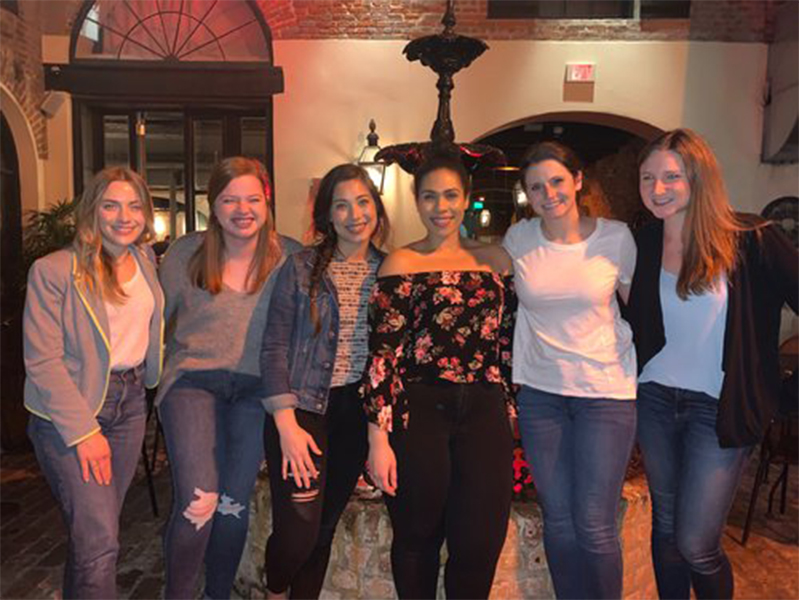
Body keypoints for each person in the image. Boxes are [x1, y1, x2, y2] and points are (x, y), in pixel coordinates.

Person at [625, 128, 798, 599]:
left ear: (698, 177)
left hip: (717, 410)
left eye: (671, 177)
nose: (657, 189)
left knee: (696, 543)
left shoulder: (751, 238)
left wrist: (787, 391)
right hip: (654, 401)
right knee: (666, 529)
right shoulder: (642, 243)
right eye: (647, 178)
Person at [363, 153, 516, 599]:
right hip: (419, 409)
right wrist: (378, 439)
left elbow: (505, 346)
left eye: (451, 195)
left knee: (480, 542)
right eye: (429, 196)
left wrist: (510, 410)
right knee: (416, 536)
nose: (440, 206)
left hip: (484, 409)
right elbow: (382, 357)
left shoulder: (496, 260)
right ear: (416, 201)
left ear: (466, 199)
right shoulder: (400, 263)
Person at [158, 157, 301, 599]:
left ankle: (216, 593)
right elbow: (150, 318)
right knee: (199, 503)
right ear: (213, 206)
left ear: (267, 201)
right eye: (229, 199)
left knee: (234, 507)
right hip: (192, 382)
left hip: (256, 389)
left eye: (252, 198)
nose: (243, 209)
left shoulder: (291, 256)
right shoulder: (186, 252)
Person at [503, 141, 637, 599]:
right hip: (541, 396)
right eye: (536, 186)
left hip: (605, 393)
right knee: (557, 520)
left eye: (557, 181)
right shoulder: (519, 239)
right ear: (527, 194)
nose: (549, 193)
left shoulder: (615, 237)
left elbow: (642, 310)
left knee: (595, 524)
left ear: (577, 180)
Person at [23, 167, 164, 599]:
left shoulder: (144, 260)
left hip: (130, 405)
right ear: (92, 211)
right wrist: (85, 432)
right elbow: (42, 361)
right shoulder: (54, 271)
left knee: (93, 537)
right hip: (72, 413)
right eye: (111, 205)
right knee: (100, 540)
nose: (124, 216)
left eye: (134, 205)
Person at [260, 164, 390, 599]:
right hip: (302, 412)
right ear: (327, 216)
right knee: (298, 531)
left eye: (363, 202)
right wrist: (286, 426)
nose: (354, 214)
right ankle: (276, 589)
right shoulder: (300, 267)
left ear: (376, 208)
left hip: (356, 414)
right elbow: (274, 347)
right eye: (341, 205)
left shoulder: (391, 272)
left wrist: (381, 432)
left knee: (324, 529)